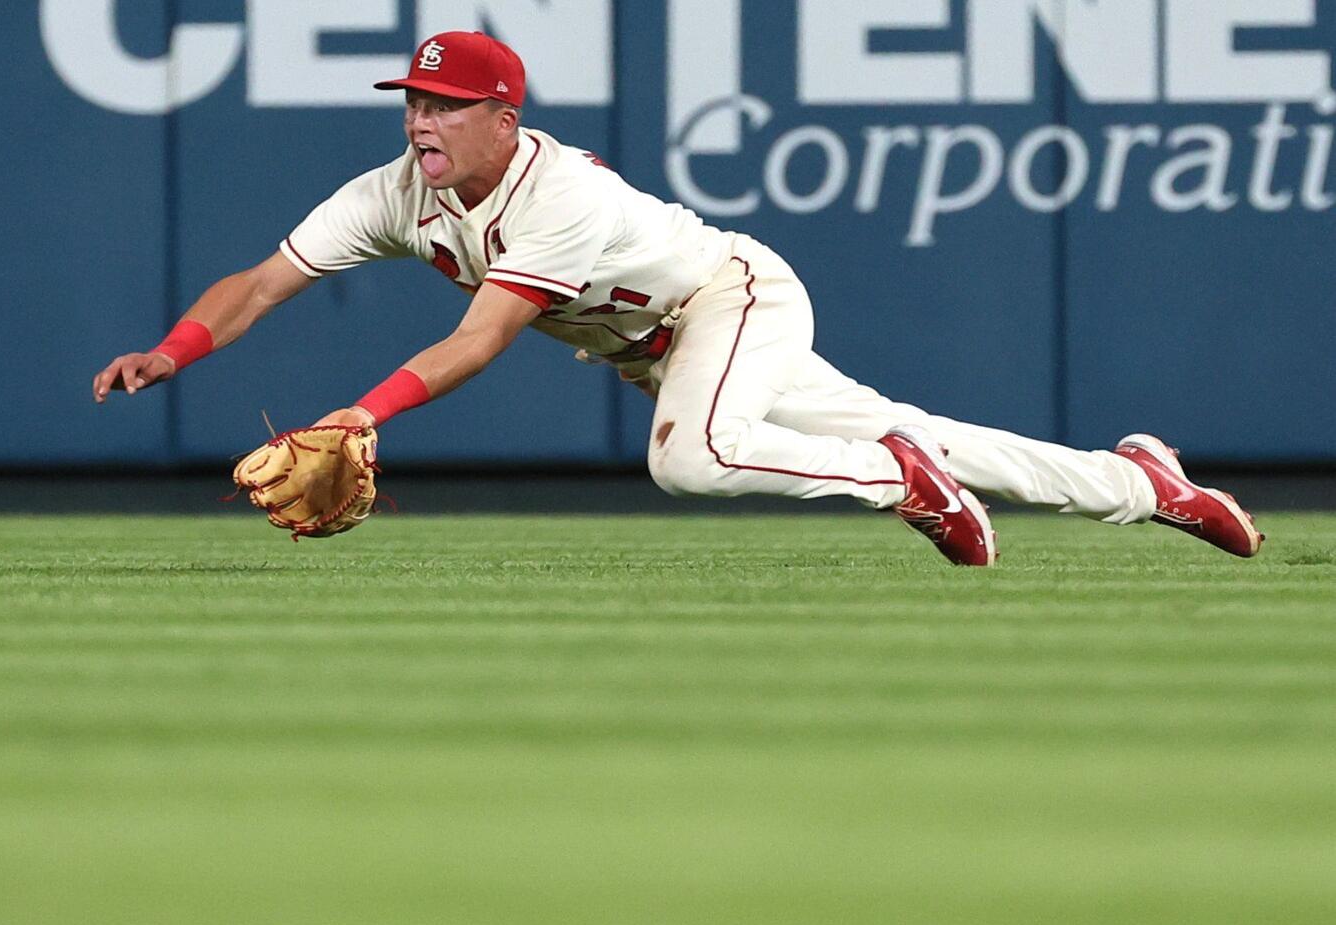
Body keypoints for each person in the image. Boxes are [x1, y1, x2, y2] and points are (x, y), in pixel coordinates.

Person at [93, 30, 1262, 566]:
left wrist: (363, 412)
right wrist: (176, 348)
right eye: (412, 101)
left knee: (691, 459)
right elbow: (262, 278)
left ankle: (895, 483)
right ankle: (1137, 481)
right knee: (932, 431)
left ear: (505, 117)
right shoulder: (396, 190)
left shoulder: (556, 197)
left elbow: (483, 335)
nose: (419, 121)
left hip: (728, 297)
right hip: (664, 342)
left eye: (444, 105)